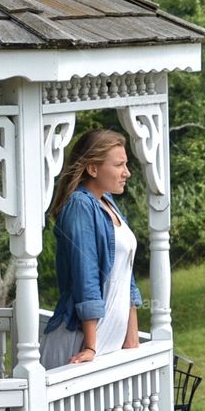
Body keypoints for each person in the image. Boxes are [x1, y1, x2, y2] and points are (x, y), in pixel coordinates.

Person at [40, 129, 142, 369]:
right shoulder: (79, 206)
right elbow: (86, 277)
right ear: (93, 169)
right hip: (80, 341)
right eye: (119, 165)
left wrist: (132, 338)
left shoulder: (107, 202)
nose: (126, 172)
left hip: (108, 342)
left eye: (126, 164)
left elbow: (127, 278)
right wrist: (90, 346)